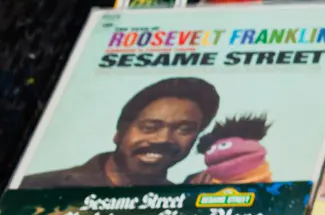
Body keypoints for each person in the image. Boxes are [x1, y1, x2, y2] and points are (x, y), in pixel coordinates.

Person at [19, 77, 219, 188]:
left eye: (184, 130)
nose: (163, 139)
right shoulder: (38, 187)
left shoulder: (181, 200)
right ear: (120, 133)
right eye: (149, 127)